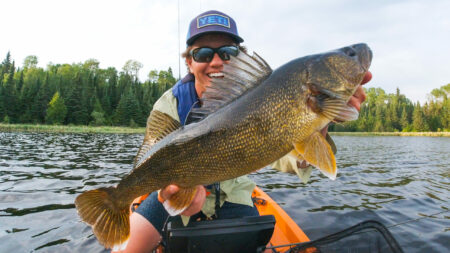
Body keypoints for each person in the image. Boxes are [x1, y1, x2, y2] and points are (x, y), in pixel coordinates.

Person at [118, 10, 372, 253]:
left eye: (227, 52)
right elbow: (150, 159)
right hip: (174, 188)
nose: (216, 61)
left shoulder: (265, 96)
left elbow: (293, 159)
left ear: (239, 57)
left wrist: (321, 122)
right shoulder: (168, 105)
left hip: (232, 194)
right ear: (189, 61)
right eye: (203, 53)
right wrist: (176, 194)